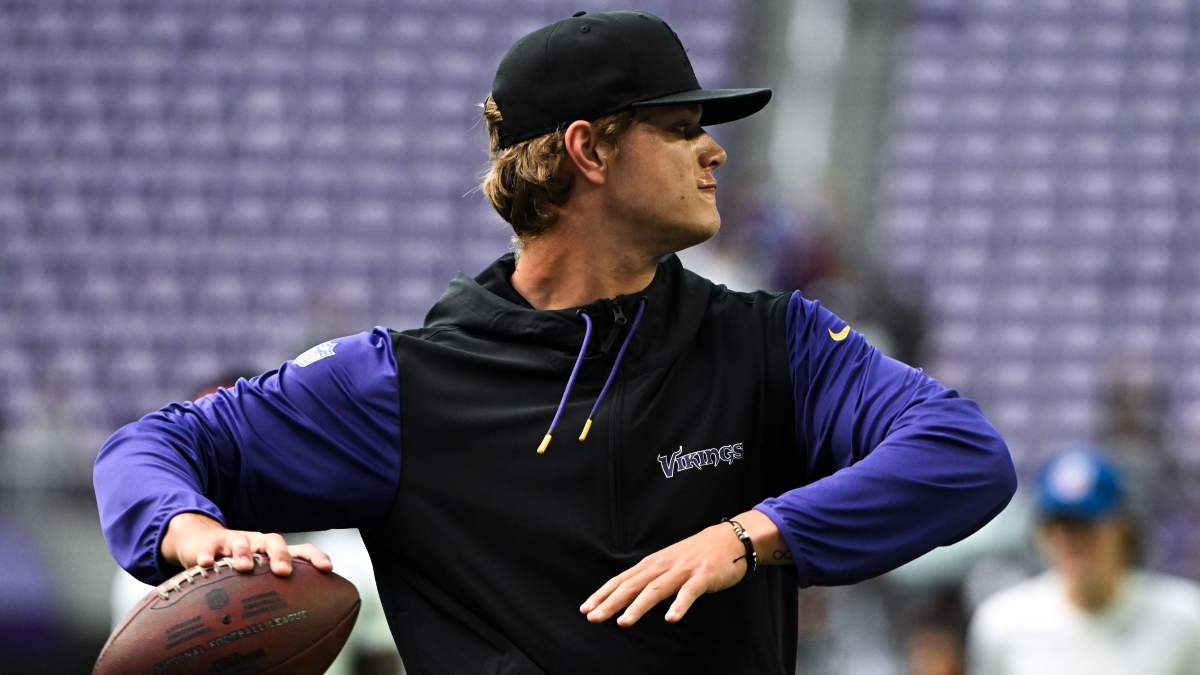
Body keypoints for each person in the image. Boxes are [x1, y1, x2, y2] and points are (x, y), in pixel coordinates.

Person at [94, 10, 1017, 674]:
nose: (715, 151)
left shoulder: (778, 342)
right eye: (681, 129)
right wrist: (190, 531)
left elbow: (964, 454)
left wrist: (749, 536)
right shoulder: (399, 384)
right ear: (589, 148)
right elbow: (149, 446)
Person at [967, 448, 1200, 675]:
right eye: (1058, 525)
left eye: (1086, 525)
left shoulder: (1185, 618)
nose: (1071, 540)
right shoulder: (1002, 623)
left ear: (1123, 529)